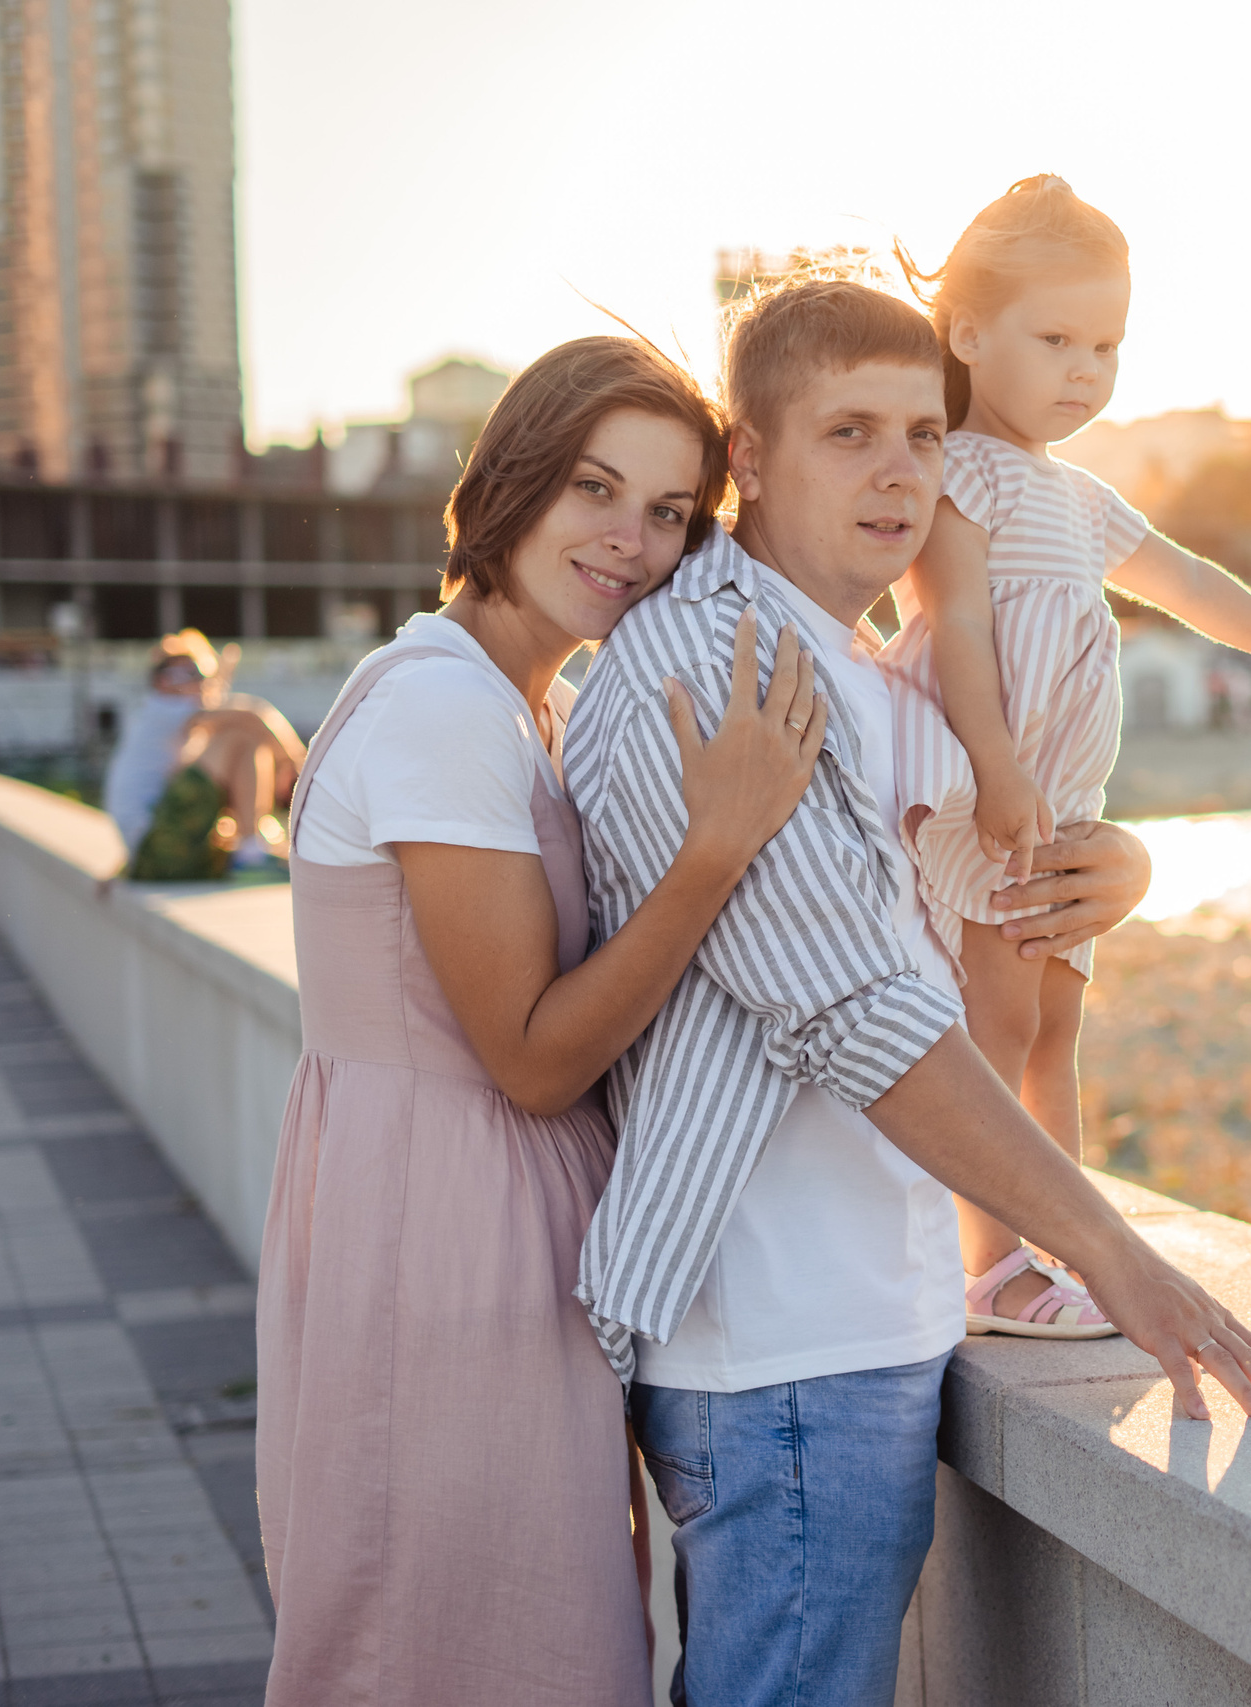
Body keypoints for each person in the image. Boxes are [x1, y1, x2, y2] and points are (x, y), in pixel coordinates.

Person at [566, 278, 1251, 1707]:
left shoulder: (847, 664)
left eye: (923, 432)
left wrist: (1125, 864)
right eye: (849, 431)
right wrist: (1115, 1254)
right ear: (751, 456)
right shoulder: (711, 665)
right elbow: (862, 1014)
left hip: (860, 1325)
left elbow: (1001, 835)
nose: (904, 470)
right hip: (782, 1346)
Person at [254, 336, 829, 1707]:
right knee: (443, 1632)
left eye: (669, 512)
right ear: (510, 483)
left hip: (477, 1219)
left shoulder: (526, 700)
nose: (631, 541)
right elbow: (525, 1052)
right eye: (594, 489)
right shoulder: (450, 706)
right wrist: (716, 850)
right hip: (442, 1229)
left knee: (517, 1624)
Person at [888, 176, 1251, 1329]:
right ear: (968, 333)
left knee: (1054, 1030)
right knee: (994, 1030)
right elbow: (955, 626)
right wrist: (999, 769)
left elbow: (1186, 580)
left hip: (1061, 812)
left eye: (1105, 346)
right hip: (988, 803)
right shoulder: (957, 472)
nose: (1083, 370)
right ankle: (990, 1262)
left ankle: (1058, 1241)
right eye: (1053, 338)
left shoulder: (1081, 496)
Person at [102, 630, 309, 881]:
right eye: (185, 675)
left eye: (200, 674)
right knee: (240, 739)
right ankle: (251, 853)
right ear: (161, 682)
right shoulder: (166, 709)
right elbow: (254, 715)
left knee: (228, 738)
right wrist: (294, 764)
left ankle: (253, 845)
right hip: (160, 851)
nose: (197, 682)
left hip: (154, 854)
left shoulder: (155, 716)